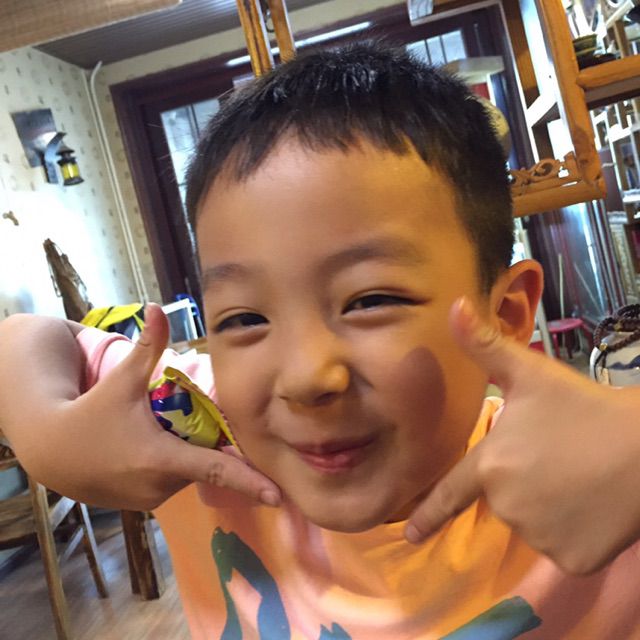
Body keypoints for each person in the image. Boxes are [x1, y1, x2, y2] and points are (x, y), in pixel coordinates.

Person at [1, 43, 640, 639]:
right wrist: (48, 434)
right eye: (244, 318)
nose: (307, 377)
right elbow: (22, 339)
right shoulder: (194, 431)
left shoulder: (592, 491)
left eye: (371, 300)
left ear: (504, 313)